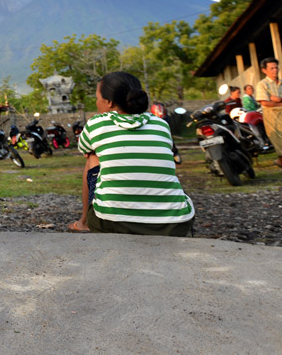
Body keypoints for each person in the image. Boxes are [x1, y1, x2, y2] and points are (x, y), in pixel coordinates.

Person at [68, 72, 195, 236]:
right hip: (174, 224)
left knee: (93, 156)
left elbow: (85, 151)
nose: (96, 102)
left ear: (109, 102)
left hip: (111, 222)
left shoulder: (96, 124)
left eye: (97, 98)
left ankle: (84, 222)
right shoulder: (161, 124)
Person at [254, 57, 282, 177]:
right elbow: (264, 102)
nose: (275, 70)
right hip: (273, 117)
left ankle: (279, 162)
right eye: (272, 68)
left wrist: (280, 99)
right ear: (264, 70)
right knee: (281, 142)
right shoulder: (262, 84)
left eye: (276, 67)